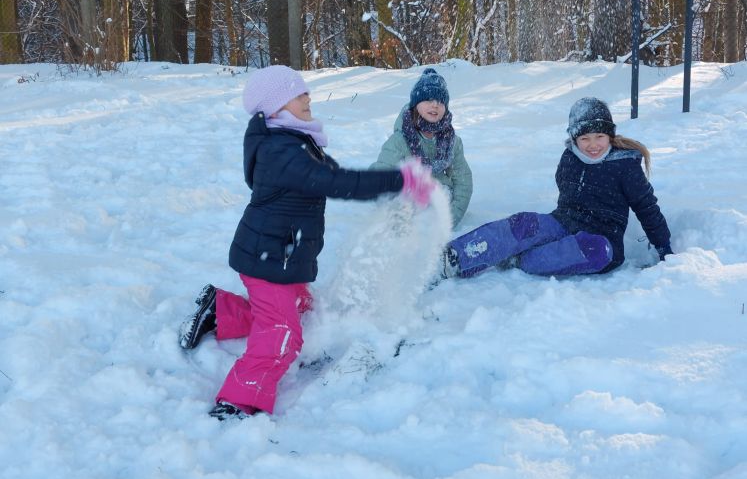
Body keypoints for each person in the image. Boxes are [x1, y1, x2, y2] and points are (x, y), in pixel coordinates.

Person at [178, 65, 434, 420]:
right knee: (283, 333)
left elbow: (336, 177)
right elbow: (335, 181)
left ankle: (220, 311)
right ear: (276, 106)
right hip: (268, 260)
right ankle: (238, 400)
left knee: (296, 312)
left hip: (279, 256)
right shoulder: (281, 151)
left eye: (305, 92)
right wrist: (398, 181)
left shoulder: (295, 141)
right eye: (298, 94)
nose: (307, 97)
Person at [442, 97, 672, 279]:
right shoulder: (570, 157)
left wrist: (663, 246)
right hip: (564, 221)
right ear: (574, 139)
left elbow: (647, 208)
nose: (593, 145)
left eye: (600, 136)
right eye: (585, 139)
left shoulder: (624, 166)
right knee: (524, 224)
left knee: (594, 250)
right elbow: (564, 186)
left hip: (602, 239)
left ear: (610, 136)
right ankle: (456, 257)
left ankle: (521, 260)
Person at [370, 68, 473, 226]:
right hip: (406, 204)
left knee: (441, 193)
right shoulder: (399, 141)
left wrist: (450, 220)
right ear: (415, 105)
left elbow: (463, 181)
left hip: (439, 204)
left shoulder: (452, 142)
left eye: (440, 101)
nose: (435, 105)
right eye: (428, 99)